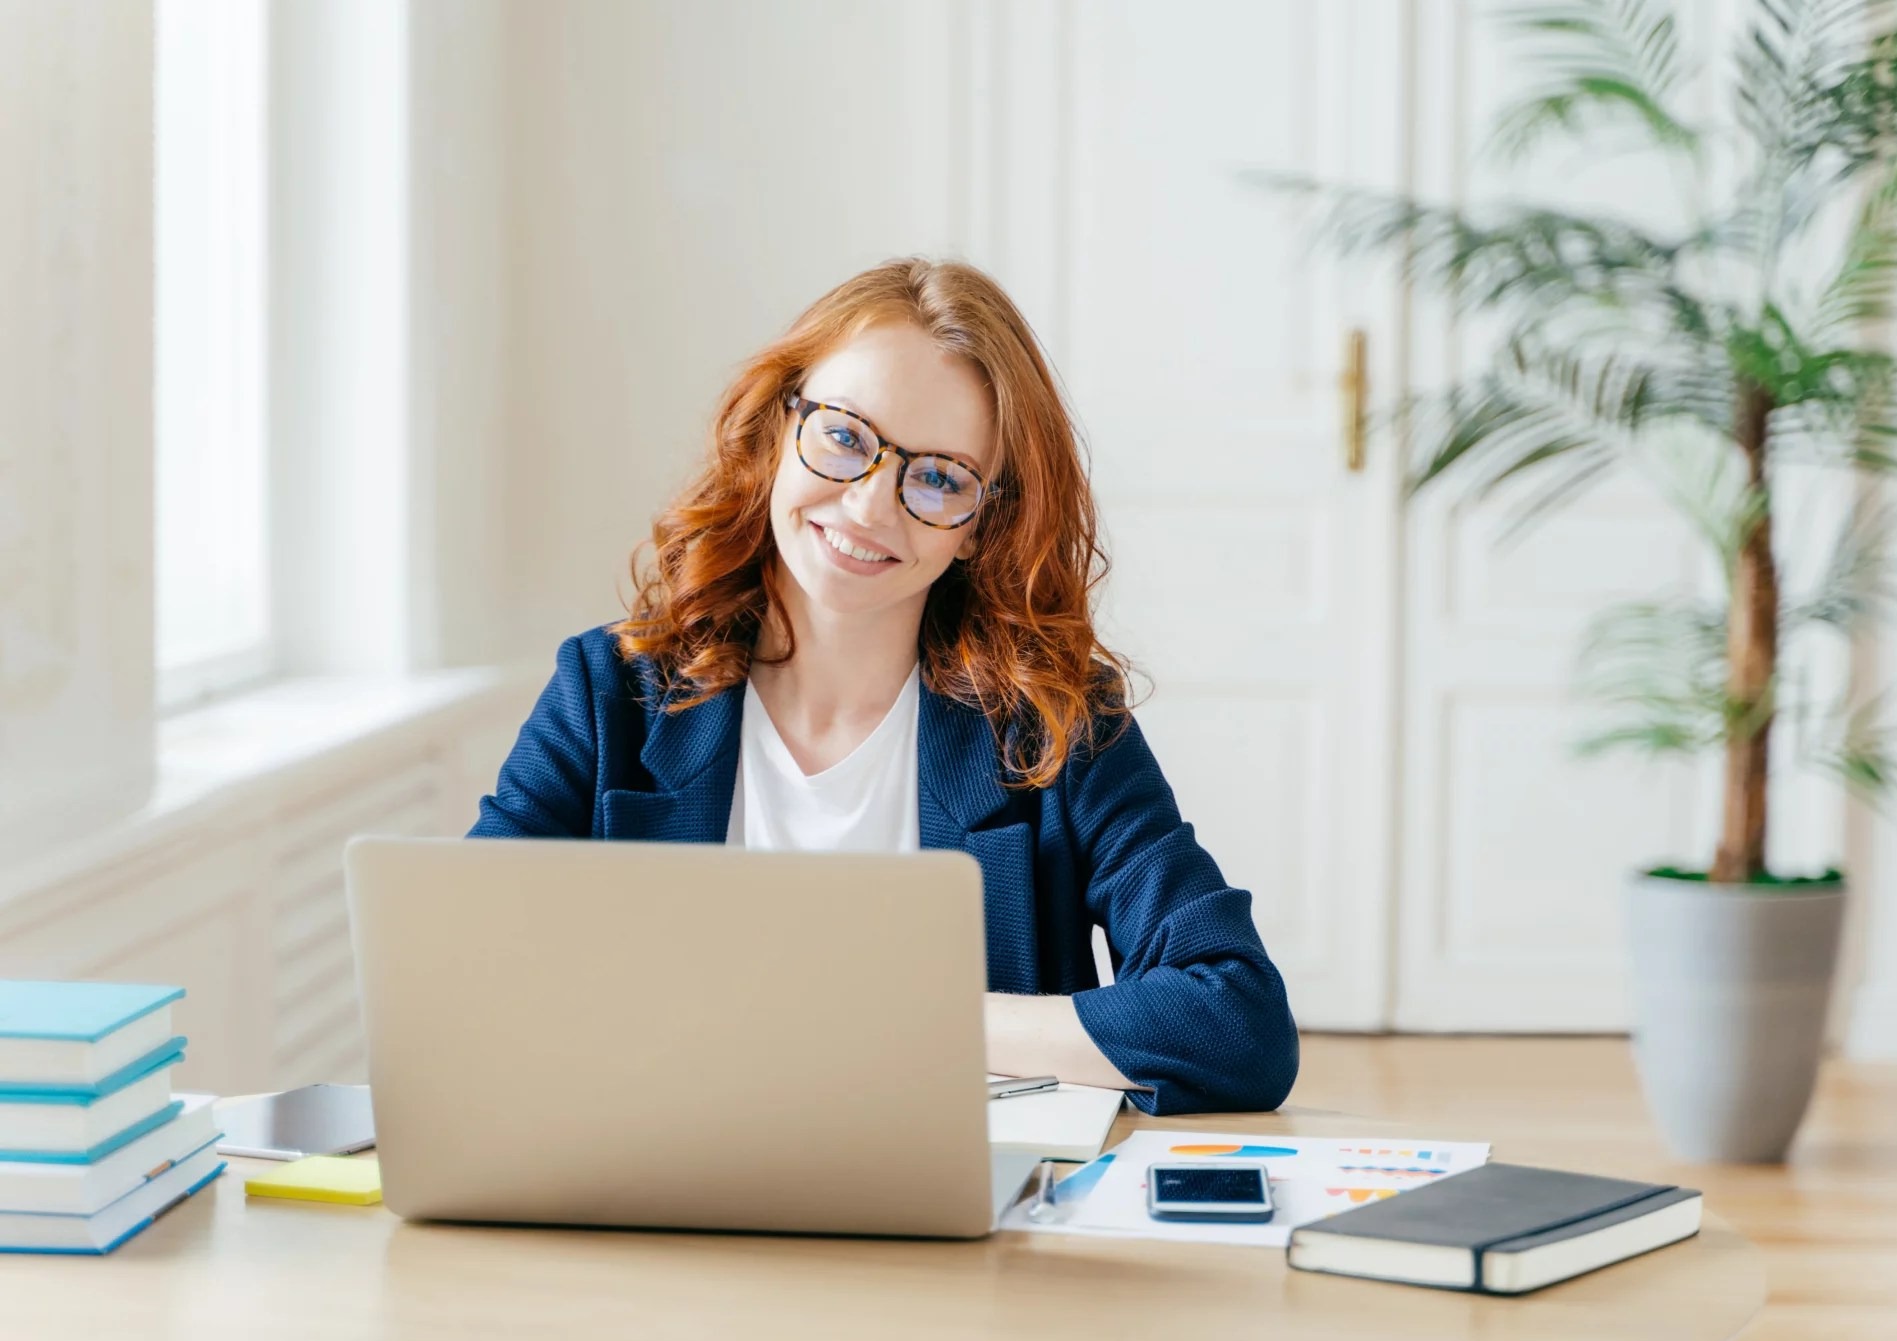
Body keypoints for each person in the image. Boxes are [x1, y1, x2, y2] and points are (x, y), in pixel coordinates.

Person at [471, 257, 1297, 1115]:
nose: (870, 507)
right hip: (652, 1179)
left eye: (939, 477)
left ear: (982, 526)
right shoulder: (609, 692)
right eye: (844, 436)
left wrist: (902, 1020)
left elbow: (1238, 1021)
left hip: (953, 1223)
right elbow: (468, 968)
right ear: (774, 431)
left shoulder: (1054, 724)